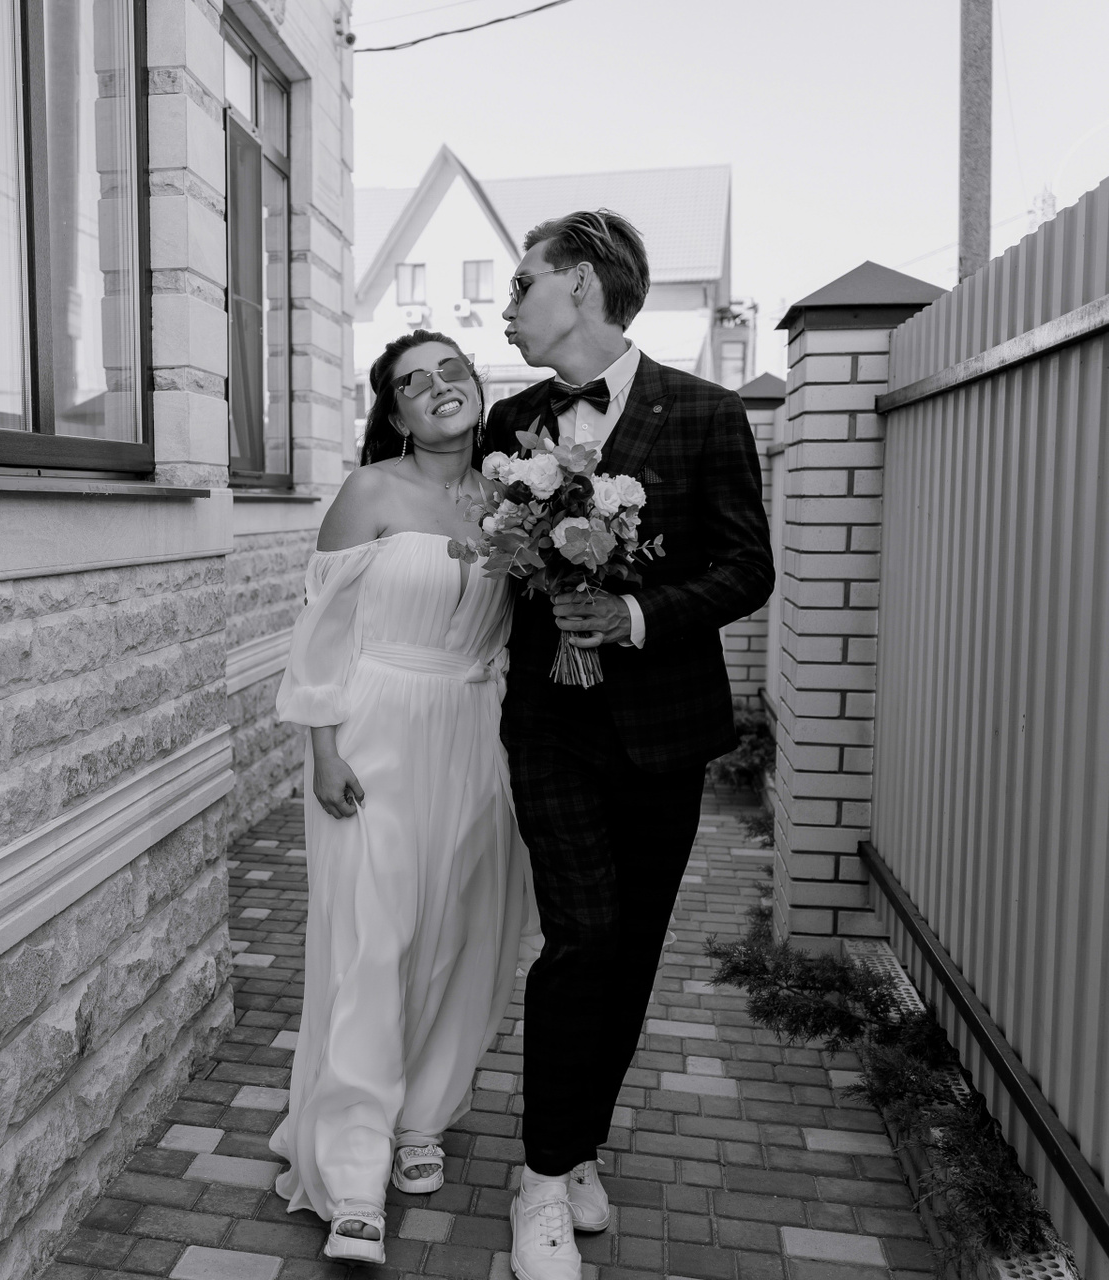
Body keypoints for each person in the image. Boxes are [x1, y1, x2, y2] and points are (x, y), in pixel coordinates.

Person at [485, 210, 774, 1280]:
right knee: (583, 936)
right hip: (548, 728)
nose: (507, 307)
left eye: (522, 284)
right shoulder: (512, 421)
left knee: (633, 947)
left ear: (582, 286)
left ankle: (580, 1143)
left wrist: (638, 613)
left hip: (663, 733)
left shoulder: (704, 412)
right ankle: (540, 1178)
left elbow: (748, 568)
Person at [271, 330, 530, 1265]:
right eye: (413, 383)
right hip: (375, 730)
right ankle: (351, 1168)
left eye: (451, 370)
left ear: (476, 385)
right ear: (396, 412)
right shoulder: (370, 491)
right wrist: (322, 746)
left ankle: (423, 1115)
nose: (437, 387)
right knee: (372, 938)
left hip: (475, 730)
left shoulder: (519, 498)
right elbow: (321, 628)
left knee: (461, 931)